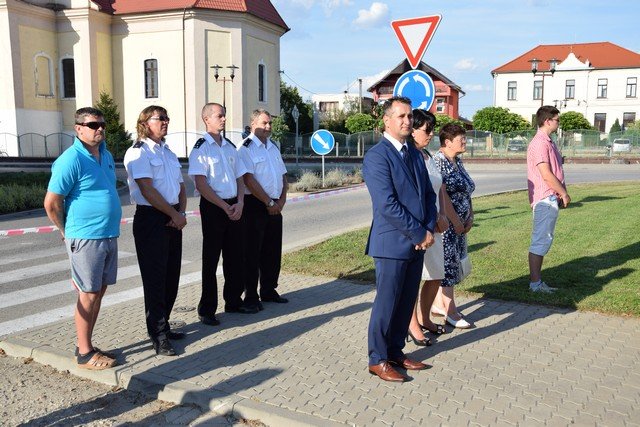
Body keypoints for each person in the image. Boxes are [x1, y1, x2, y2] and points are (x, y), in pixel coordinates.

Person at [363, 97, 438, 382]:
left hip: (417, 242)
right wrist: (419, 232)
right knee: (387, 304)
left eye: (409, 116)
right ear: (387, 120)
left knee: (406, 302)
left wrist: (427, 229)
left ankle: (395, 351)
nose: (407, 121)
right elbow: (387, 204)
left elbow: (428, 195)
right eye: (401, 116)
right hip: (392, 243)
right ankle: (377, 359)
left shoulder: (414, 153)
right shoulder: (377, 156)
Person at [44, 107, 121, 370]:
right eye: (93, 125)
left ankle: (85, 344)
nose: (99, 129)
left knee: (98, 291)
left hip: (108, 233)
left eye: (102, 125)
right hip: (85, 236)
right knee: (88, 293)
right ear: (78, 129)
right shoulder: (71, 159)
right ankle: (85, 354)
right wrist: (65, 232)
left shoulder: (105, 155)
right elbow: (52, 203)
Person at [124, 106, 187, 356]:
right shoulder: (138, 152)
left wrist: (180, 213)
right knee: (155, 280)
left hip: (173, 216)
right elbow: (147, 189)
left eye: (167, 118)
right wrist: (173, 214)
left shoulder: (167, 151)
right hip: (151, 218)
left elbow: (181, 186)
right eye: (160, 118)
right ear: (145, 122)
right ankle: (158, 335)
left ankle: (165, 325)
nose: (165, 122)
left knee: (171, 277)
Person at [188, 103, 256, 326]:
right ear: (206, 119)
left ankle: (233, 301)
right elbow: (201, 183)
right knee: (211, 259)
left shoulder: (229, 147)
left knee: (236, 256)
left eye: (224, 115)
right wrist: (223, 206)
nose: (224, 119)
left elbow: (240, 177)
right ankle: (207, 308)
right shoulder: (201, 148)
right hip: (213, 207)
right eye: (219, 116)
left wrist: (240, 202)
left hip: (234, 205)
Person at [237, 109, 289, 312]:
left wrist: (281, 201)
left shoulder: (273, 147)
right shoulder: (246, 148)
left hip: (275, 205)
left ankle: (269, 289)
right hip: (256, 205)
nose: (268, 127)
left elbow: (283, 176)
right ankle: (251, 296)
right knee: (252, 252)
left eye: (269, 123)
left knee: (272, 251)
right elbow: (248, 179)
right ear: (253, 125)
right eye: (264, 123)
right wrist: (268, 202)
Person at [407, 109, 449, 347]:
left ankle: (425, 317)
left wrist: (442, 215)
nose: (431, 134)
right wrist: (430, 222)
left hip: (436, 224)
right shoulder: (409, 156)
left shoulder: (427, 155)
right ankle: (411, 323)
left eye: (432, 129)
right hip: (421, 226)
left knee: (436, 273)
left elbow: (439, 188)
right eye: (427, 129)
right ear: (413, 130)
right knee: (415, 277)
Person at [432, 123, 475, 329]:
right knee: (448, 267)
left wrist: (471, 215)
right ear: (447, 142)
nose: (465, 142)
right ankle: (451, 312)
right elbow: (443, 196)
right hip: (447, 225)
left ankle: (438, 304)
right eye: (461, 139)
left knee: (455, 263)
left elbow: (466, 190)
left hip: (460, 225)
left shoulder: (457, 161)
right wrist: (455, 221)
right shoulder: (438, 161)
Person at [527, 106, 570, 293]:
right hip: (545, 198)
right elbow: (546, 174)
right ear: (547, 121)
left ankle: (537, 282)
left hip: (550, 196)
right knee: (541, 240)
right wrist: (564, 193)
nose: (558, 123)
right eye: (557, 120)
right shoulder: (539, 143)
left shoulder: (548, 141)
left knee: (544, 239)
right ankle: (535, 284)